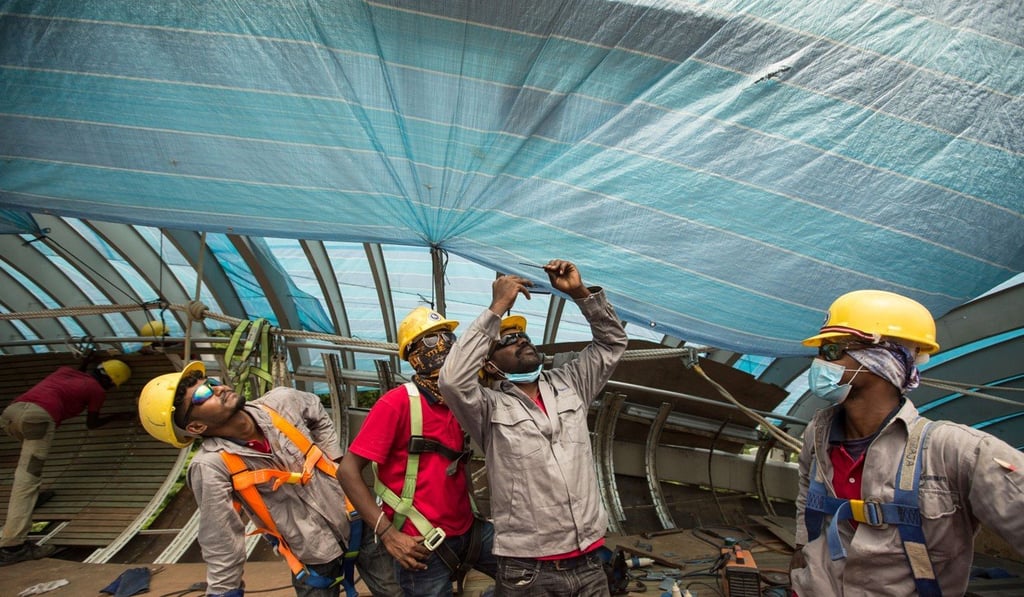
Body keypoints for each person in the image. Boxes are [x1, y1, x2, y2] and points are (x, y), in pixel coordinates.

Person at [789, 289, 1024, 596]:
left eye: (831, 351)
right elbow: (807, 513)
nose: (819, 362)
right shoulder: (818, 434)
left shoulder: (957, 450)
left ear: (881, 359)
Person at [439, 259, 628, 597]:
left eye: (523, 335)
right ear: (489, 363)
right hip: (528, 571)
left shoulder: (572, 383)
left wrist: (581, 294)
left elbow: (611, 344)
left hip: (589, 563)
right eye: (506, 340)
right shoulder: (487, 406)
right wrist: (498, 307)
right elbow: (452, 381)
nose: (521, 341)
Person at [137, 362, 399, 597]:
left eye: (212, 383)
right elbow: (220, 536)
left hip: (355, 520)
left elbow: (315, 410)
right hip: (309, 553)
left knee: (394, 591)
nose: (217, 389)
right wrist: (224, 591)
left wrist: (337, 462)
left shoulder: (282, 403)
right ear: (195, 427)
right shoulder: (211, 466)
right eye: (203, 395)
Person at [339, 306, 497, 596]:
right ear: (413, 355)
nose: (445, 346)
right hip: (420, 543)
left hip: (469, 529)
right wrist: (387, 533)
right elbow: (347, 471)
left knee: (530, 574)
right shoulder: (396, 404)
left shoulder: (461, 399)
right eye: (431, 340)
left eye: (449, 338)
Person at [0, 356, 132, 565]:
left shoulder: (65, 372)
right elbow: (92, 423)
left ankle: (31, 500)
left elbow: (80, 374)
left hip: (12, 414)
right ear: (111, 383)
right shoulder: (97, 391)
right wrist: (120, 416)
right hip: (38, 420)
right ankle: (13, 546)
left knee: (27, 467)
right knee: (26, 480)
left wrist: (87, 359)